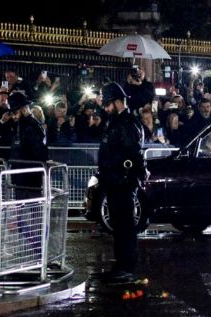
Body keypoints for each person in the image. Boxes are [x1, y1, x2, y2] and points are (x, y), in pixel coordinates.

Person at [95, 82, 146, 284]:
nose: (106, 108)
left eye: (108, 104)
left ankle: (127, 268)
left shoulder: (127, 123)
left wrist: (121, 175)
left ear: (117, 102)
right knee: (119, 224)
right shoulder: (117, 121)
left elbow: (131, 154)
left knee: (124, 224)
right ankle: (121, 266)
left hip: (122, 182)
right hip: (115, 180)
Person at [7, 91, 49, 197]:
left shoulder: (31, 126)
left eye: (15, 112)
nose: (13, 116)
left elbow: (37, 151)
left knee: (32, 208)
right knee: (23, 209)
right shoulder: (22, 125)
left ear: (24, 109)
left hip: (29, 178)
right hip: (22, 176)